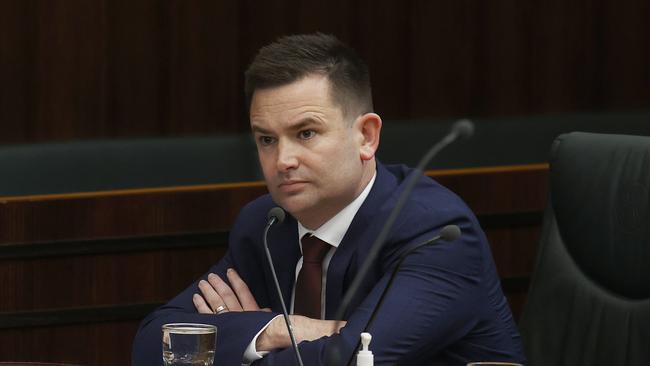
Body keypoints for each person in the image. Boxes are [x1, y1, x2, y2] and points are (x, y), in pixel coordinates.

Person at [132, 33, 525, 365]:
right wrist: (275, 330)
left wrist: (236, 346)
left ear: (366, 137)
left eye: (305, 133)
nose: (283, 160)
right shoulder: (267, 225)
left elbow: (351, 359)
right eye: (266, 139)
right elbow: (153, 343)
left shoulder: (436, 232)